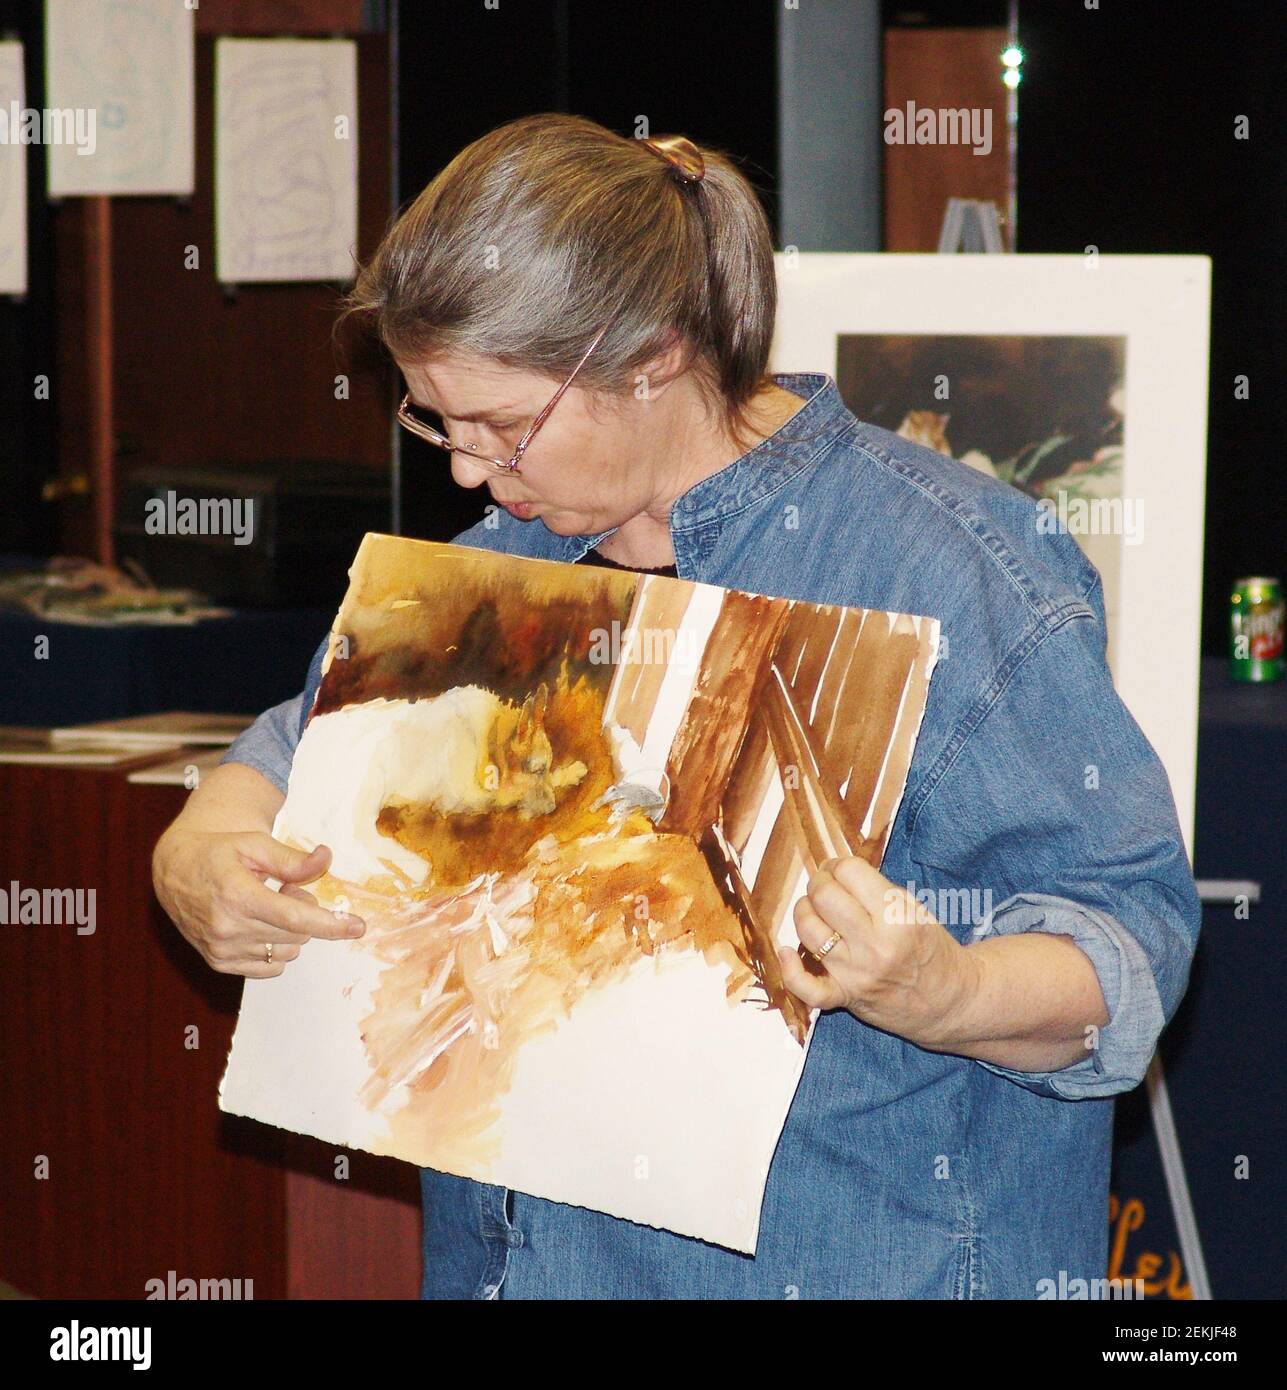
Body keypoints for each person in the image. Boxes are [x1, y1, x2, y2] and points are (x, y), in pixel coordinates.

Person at [152, 113, 1200, 1299]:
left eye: (501, 425)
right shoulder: (502, 557)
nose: (461, 465)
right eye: (433, 416)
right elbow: (288, 754)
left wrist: (946, 991)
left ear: (651, 357)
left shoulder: (958, 567)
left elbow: (1128, 950)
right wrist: (198, 850)